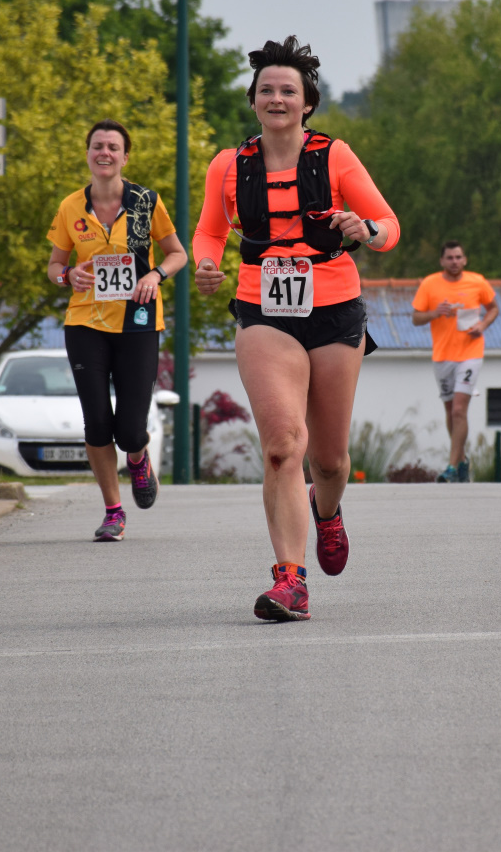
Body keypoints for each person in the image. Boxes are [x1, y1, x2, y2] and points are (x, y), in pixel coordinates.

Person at [193, 36, 399, 621]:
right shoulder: (228, 165)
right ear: (253, 101)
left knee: (329, 461)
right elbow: (210, 230)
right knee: (284, 447)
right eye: (267, 90)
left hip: (334, 312)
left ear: (307, 103)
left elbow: (388, 225)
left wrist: (365, 230)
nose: (277, 99)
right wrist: (207, 264)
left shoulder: (335, 157)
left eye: (288, 90)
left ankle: (327, 512)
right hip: (263, 310)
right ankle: (290, 580)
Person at [47, 118, 187, 541]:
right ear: (88, 153)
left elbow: (178, 253)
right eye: (97, 146)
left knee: (129, 429)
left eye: (112, 147)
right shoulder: (71, 207)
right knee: (96, 424)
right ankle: (113, 511)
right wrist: (67, 276)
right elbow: (55, 265)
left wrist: (156, 276)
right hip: (85, 322)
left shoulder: (145, 202)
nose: (104, 153)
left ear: (125, 157)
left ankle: (138, 458)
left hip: (137, 322)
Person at [411, 241, 498, 483]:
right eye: (449, 257)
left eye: (458, 257)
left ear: (465, 259)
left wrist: (482, 324)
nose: (454, 262)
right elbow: (416, 318)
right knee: (450, 411)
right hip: (442, 356)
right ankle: (461, 461)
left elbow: (493, 308)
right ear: (442, 261)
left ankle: (451, 467)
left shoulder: (477, 282)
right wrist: (435, 313)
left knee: (460, 409)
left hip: (470, 353)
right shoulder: (430, 284)